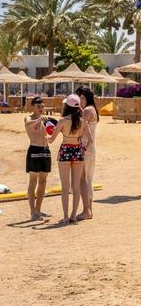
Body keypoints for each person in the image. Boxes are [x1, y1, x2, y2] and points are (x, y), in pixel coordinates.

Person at [48, 94, 93, 225]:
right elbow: (90, 141)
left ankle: (66, 216)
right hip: (78, 152)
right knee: (76, 187)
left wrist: (46, 136)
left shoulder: (62, 121)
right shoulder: (83, 121)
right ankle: (74, 215)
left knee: (65, 187)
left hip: (65, 152)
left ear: (67, 105)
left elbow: (51, 139)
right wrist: (83, 149)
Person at [24, 96, 52, 219]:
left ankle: (38, 210)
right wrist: (39, 120)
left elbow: (52, 132)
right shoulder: (29, 118)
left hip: (45, 150)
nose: (41, 109)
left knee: (43, 181)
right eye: (38, 106)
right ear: (33, 107)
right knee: (33, 181)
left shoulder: (45, 120)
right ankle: (32, 211)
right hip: (34, 150)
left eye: (42, 106)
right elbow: (28, 124)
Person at [76, 86, 99, 220]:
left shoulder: (87, 110)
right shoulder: (92, 109)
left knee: (84, 179)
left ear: (84, 97)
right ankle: (89, 209)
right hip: (91, 147)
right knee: (88, 179)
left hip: (86, 147)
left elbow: (80, 126)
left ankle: (87, 210)